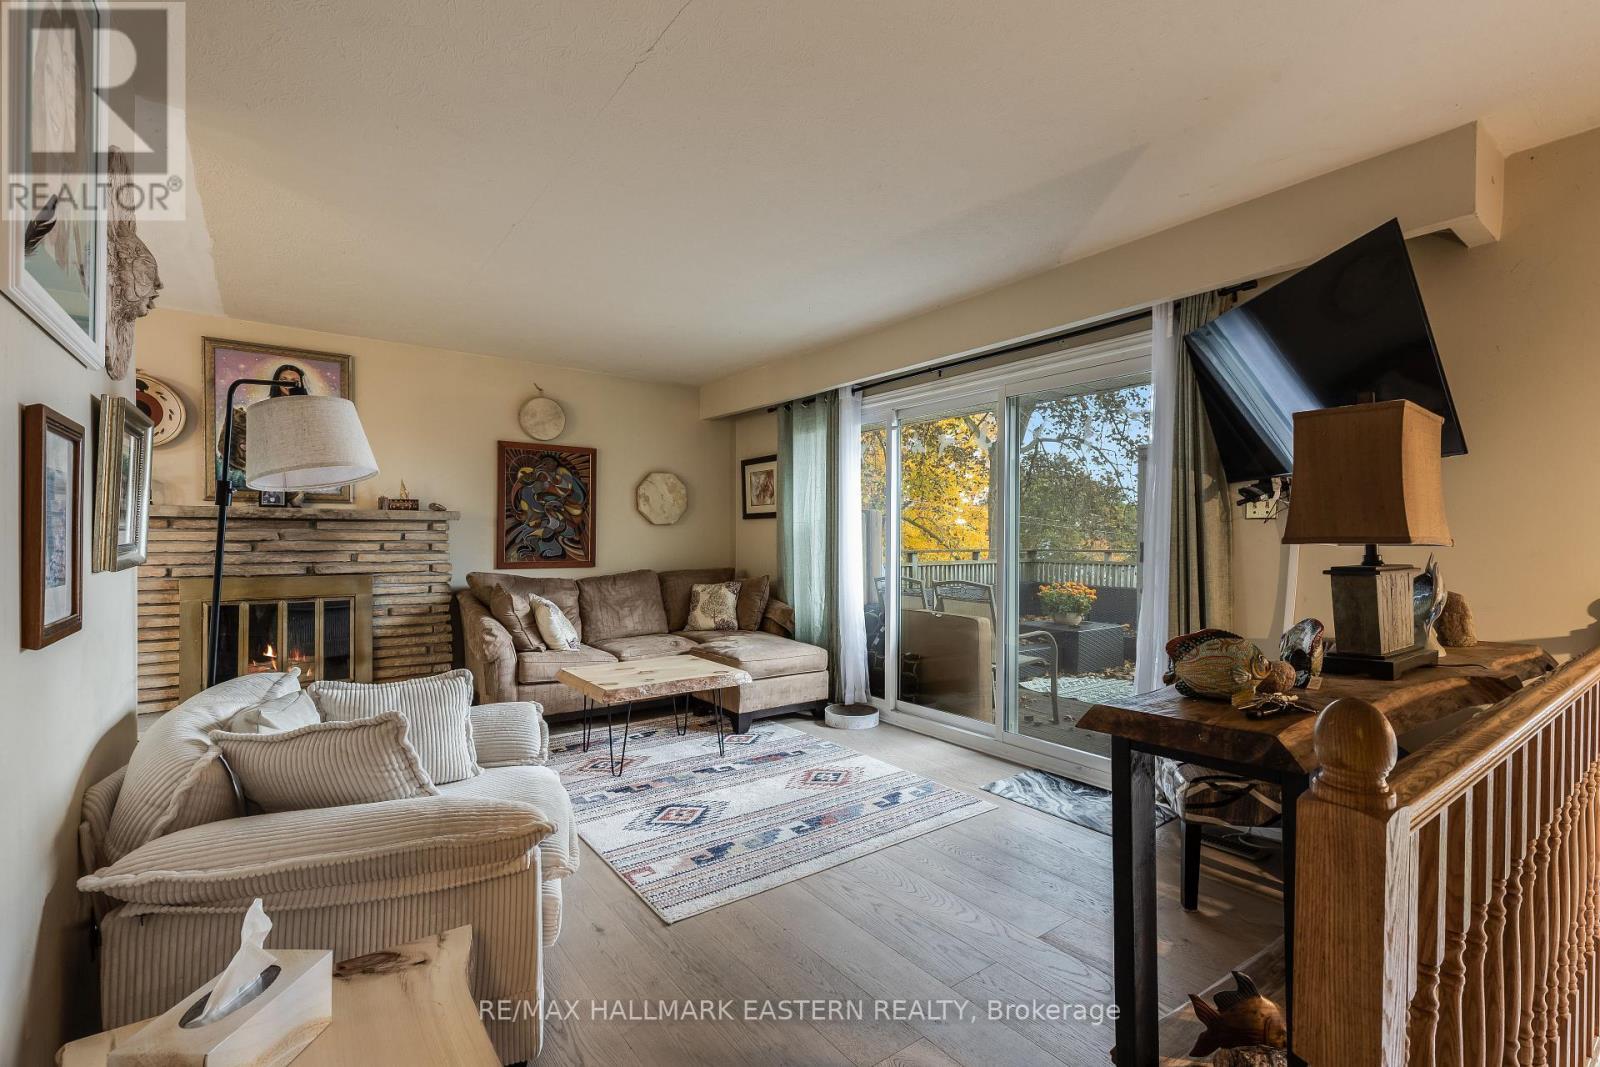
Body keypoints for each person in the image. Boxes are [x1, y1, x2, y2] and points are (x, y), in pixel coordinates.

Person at [217, 363, 311, 490]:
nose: (289, 383)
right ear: (276, 382)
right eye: (284, 380)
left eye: (294, 381)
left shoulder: (308, 410)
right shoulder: (265, 408)